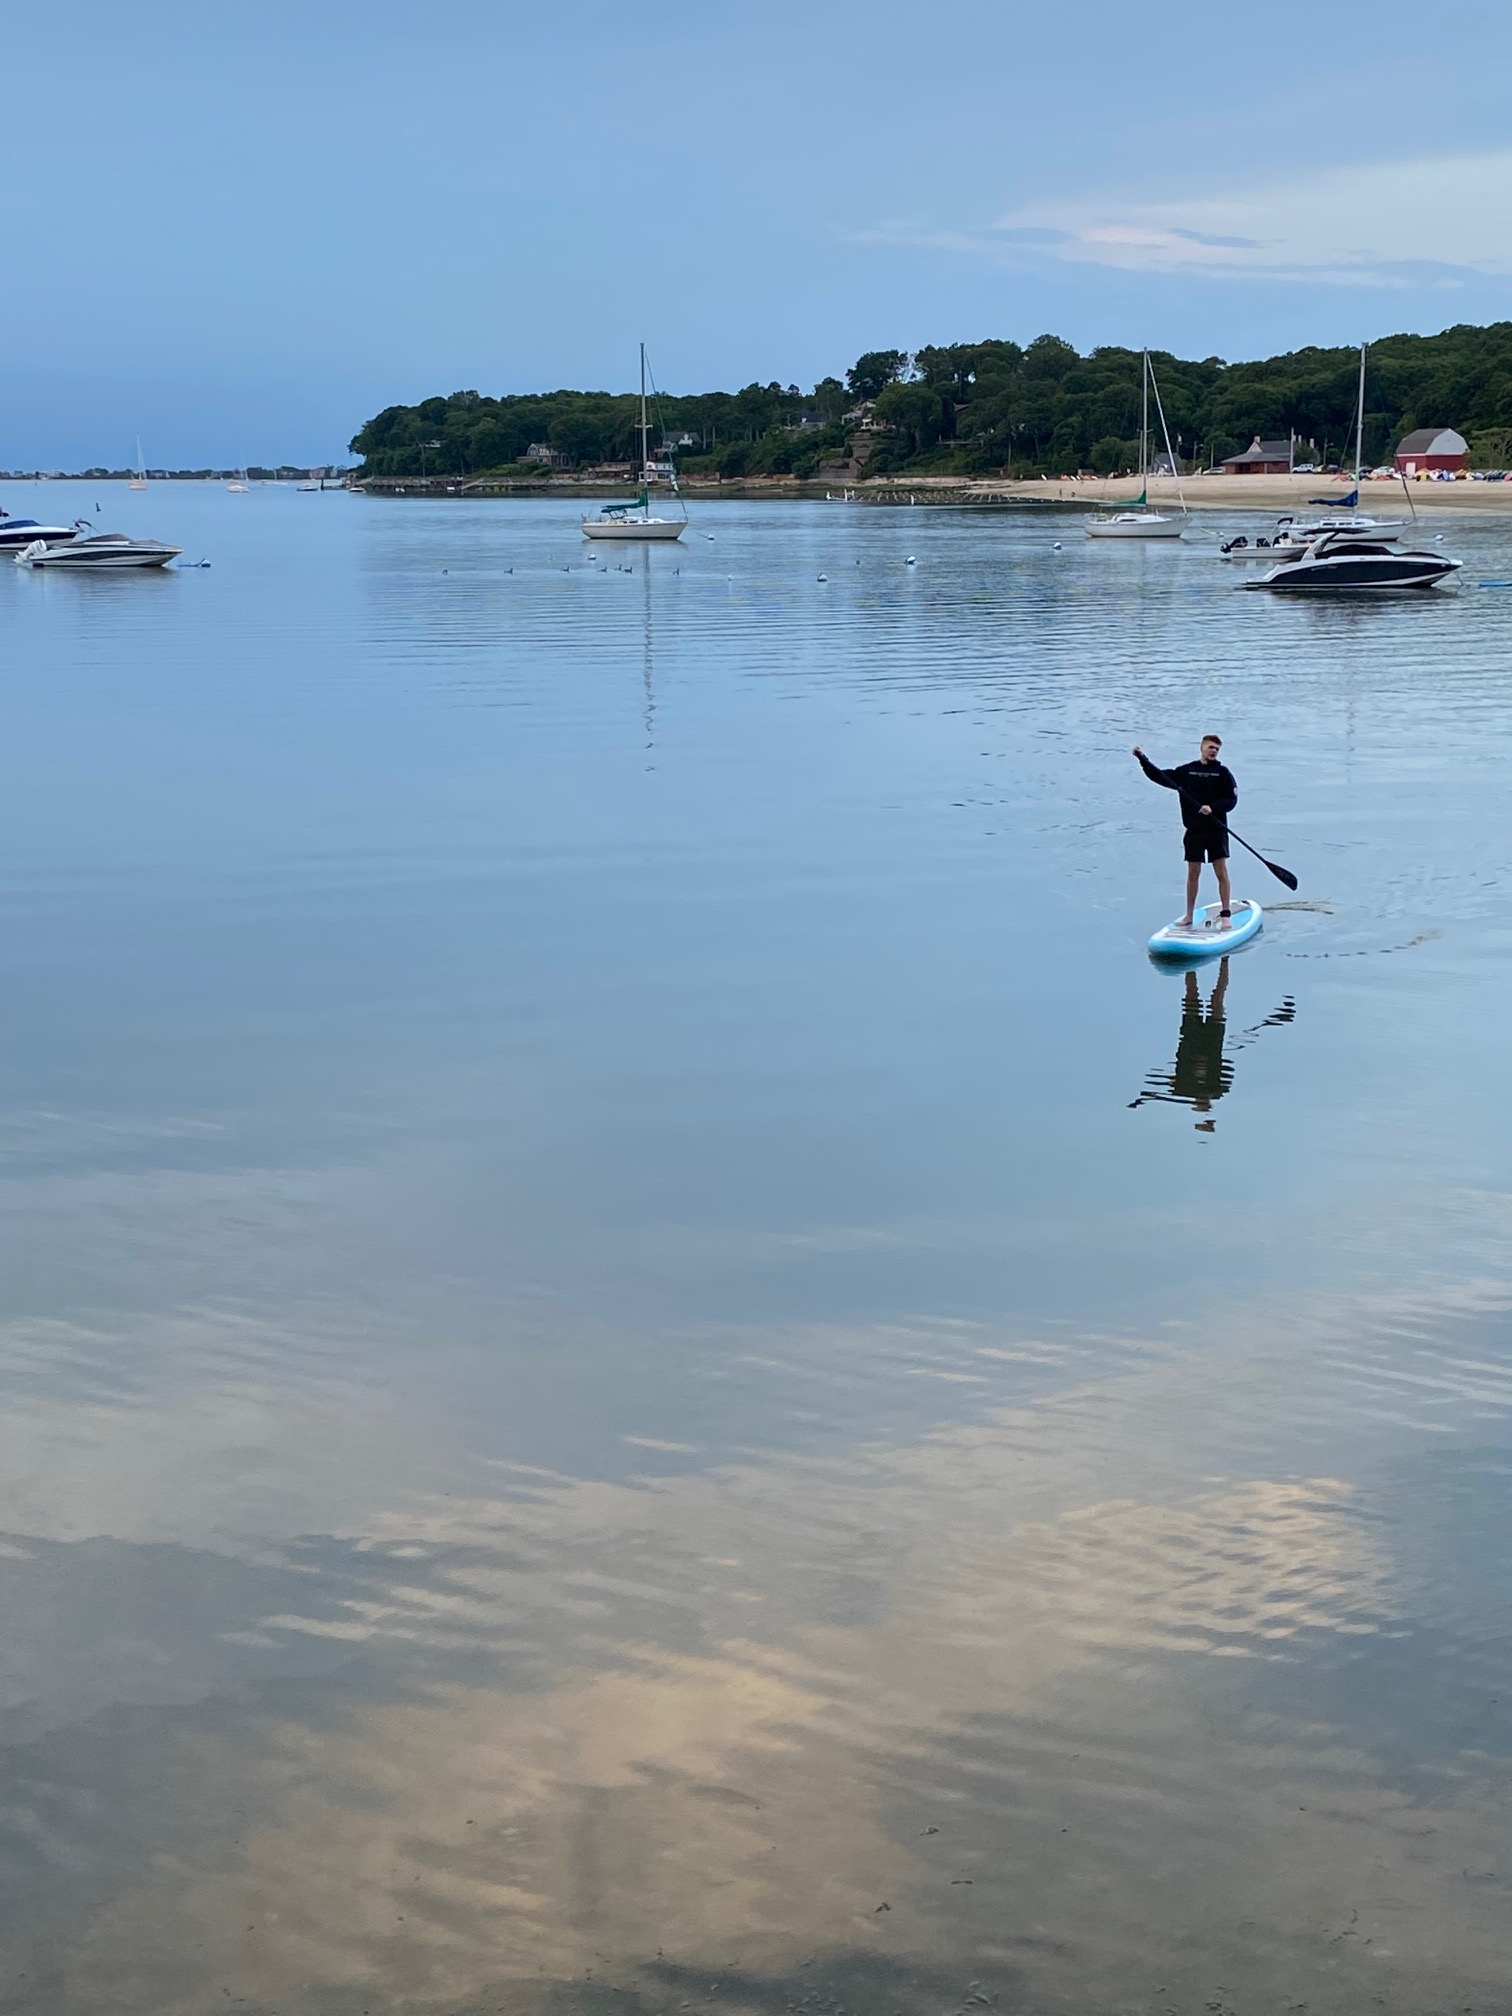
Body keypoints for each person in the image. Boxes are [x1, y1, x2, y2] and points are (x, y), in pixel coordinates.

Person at [1132, 734, 1238, 928]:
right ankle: (1189, 915)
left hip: (1216, 829)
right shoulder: (1186, 772)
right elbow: (1159, 776)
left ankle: (1225, 915)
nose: (1213, 751)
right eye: (1210, 747)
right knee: (1193, 873)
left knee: (1221, 871)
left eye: (1216, 748)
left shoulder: (1223, 773)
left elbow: (1231, 800)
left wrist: (1212, 807)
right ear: (1202, 748)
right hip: (1194, 831)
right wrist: (1142, 759)